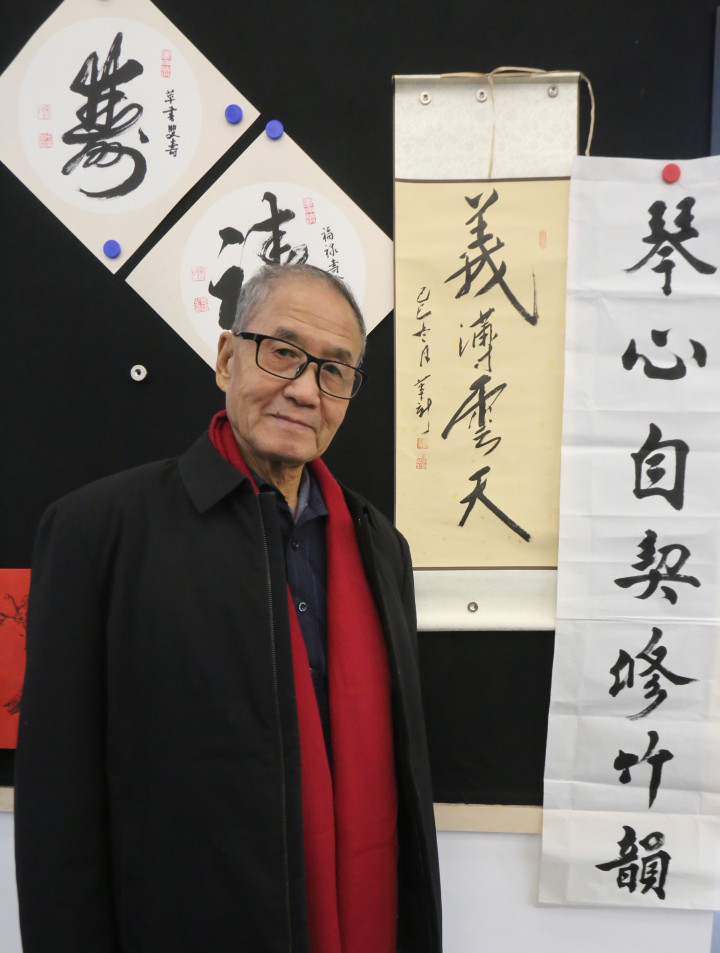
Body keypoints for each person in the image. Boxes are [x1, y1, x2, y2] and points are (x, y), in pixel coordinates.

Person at [15, 263, 442, 953]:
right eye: (283, 352)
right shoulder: (99, 533)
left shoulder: (378, 548)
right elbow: (56, 812)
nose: (304, 390)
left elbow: (404, 790)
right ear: (226, 357)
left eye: (335, 370)